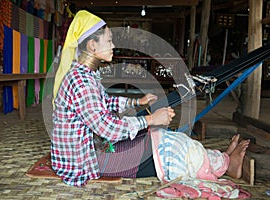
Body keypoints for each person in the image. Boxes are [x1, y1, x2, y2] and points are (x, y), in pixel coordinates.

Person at [51, 10, 250, 195]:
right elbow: (105, 128)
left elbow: (105, 102)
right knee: (168, 147)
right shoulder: (80, 81)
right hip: (86, 160)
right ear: (92, 46)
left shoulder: (86, 75)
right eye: (109, 41)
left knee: (161, 137)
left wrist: (138, 102)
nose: (113, 46)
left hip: (95, 148)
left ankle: (222, 159)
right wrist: (150, 119)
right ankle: (226, 164)